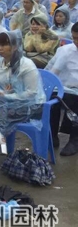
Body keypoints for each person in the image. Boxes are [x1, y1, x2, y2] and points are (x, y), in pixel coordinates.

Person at [0, 31, 46, 162]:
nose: (0, 48)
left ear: (15, 46)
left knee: (0, 112)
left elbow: (31, 93)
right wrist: (2, 93)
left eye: (4, 45)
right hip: (5, 102)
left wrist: (9, 96)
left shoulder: (26, 65)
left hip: (31, 105)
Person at [46, 22, 78, 156]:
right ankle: (52, 136)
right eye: (74, 38)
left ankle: (74, 140)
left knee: (75, 103)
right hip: (62, 87)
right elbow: (50, 71)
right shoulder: (65, 50)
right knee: (53, 101)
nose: (76, 42)